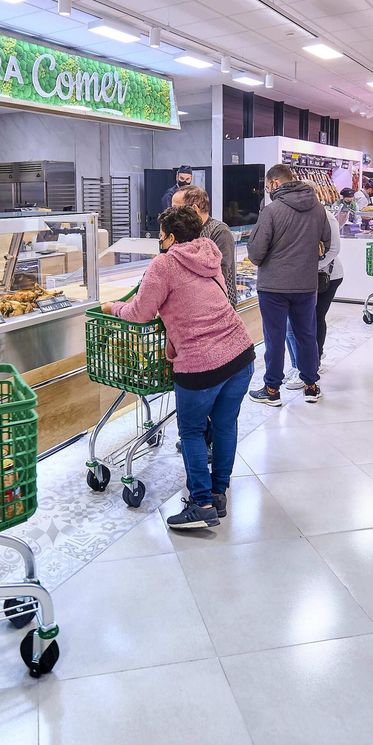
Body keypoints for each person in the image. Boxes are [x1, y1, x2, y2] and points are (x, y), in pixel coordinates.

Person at [106, 206, 255, 529]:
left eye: (161, 236)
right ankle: (218, 495)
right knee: (225, 426)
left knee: (191, 431)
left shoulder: (165, 263)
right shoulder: (209, 251)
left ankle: (200, 503)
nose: (160, 241)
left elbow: (140, 312)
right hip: (240, 351)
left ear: (171, 237)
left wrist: (112, 307)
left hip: (201, 364)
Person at [247, 164, 328, 406]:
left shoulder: (271, 211)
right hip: (306, 284)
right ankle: (311, 386)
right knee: (306, 335)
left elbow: (256, 253)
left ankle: (272, 390)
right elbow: (325, 244)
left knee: (275, 337)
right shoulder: (318, 208)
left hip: (273, 286)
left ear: (273, 184)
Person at [284, 200, 344, 388]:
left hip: (327, 277)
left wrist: (309, 267)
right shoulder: (299, 215)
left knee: (314, 319)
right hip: (305, 276)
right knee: (297, 323)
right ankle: (303, 365)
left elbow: (333, 249)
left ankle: (311, 364)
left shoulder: (326, 216)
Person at [171, 185, 234, 292]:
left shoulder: (219, 231)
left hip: (217, 303)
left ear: (194, 209)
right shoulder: (181, 230)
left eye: (176, 209)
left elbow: (220, 273)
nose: (172, 214)